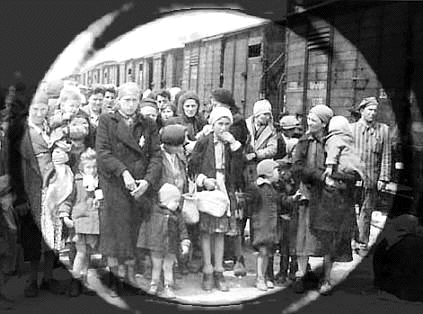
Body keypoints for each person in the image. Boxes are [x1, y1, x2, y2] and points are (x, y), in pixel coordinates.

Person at [96, 82, 162, 296]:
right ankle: (115, 275)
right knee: (115, 231)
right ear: (118, 101)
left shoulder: (148, 124)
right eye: (126, 100)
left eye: (135, 100)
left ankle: (131, 272)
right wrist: (123, 173)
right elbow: (103, 153)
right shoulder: (107, 121)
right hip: (115, 184)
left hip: (139, 186)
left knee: (135, 228)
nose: (131, 104)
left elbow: (156, 156)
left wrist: (147, 182)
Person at [292, 104, 358, 295]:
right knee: (303, 238)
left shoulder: (336, 141)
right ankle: (302, 275)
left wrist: (337, 178)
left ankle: (326, 279)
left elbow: (349, 167)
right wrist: (320, 177)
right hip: (309, 195)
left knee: (329, 239)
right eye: (309, 118)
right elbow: (297, 168)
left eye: (313, 119)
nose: (308, 122)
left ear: (324, 123)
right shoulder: (304, 142)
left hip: (331, 198)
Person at [11, 92, 65, 298]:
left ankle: (49, 277)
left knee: (53, 234)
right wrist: (21, 197)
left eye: (43, 109)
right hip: (31, 189)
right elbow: (13, 167)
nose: (40, 113)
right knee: (33, 236)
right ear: (28, 110)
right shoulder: (22, 133)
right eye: (35, 109)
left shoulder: (51, 130)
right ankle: (32, 279)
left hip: (53, 189)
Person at [189, 107, 243, 292]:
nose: (224, 127)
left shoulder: (231, 145)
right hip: (208, 190)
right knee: (206, 231)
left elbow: (237, 172)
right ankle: (207, 270)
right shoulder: (203, 142)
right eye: (220, 123)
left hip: (225, 189)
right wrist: (204, 180)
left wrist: (236, 147)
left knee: (220, 231)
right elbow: (192, 168)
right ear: (212, 124)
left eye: (227, 124)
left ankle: (219, 271)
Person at [350, 97, 391, 253]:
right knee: (351, 211)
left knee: (366, 212)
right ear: (362, 111)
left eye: (375, 110)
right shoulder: (351, 129)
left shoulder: (383, 130)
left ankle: (362, 243)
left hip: (371, 179)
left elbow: (386, 155)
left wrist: (384, 177)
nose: (373, 113)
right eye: (370, 110)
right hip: (353, 178)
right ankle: (350, 241)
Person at [59, 148, 102, 297]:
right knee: (81, 252)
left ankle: (84, 281)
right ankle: (75, 280)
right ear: (82, 167)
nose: (92, 170)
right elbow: (68, 198)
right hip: (79, 221)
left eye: (95, 166)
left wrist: (100, 201)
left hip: (94, 221)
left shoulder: (100, 181)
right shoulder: (76, 181)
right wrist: (65, 216)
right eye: (89, 167)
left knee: (89, 252)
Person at [137, 183, 190, 299]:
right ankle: (154, 284)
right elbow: (142, 203)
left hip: (171, 247)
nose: (177, 204)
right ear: (165, 201)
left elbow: (183, 230)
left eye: (178, 201)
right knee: (156, 266)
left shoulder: (177, 215)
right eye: (174, 201)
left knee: (168, 267)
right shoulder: (154, 211)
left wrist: (185, 243)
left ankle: (168, 286)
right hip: (156, 246)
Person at [245, 159, 281, 291]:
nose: (279, 174)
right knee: (263, 252)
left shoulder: (272, 188)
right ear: (268, 173)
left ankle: (265, 276)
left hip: (271, 225)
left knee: (268, 252)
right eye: (276, 171)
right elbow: (250, 204)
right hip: (261, 224)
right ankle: (259, 277)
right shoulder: (258, 188)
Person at [324, 115, 366, 182]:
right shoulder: (348, 138)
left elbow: (333, 152)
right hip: (355, 168)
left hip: (343, 168)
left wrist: (329, 166)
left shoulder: (334, 138)